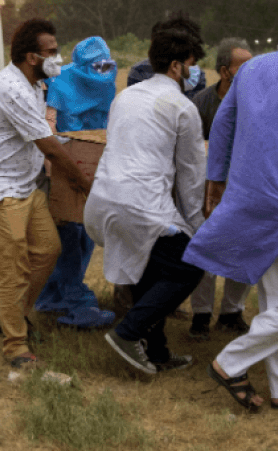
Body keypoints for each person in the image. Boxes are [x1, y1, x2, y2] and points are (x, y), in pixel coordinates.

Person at [183, 5, 278, 411]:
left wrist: (215, 181)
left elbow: (222, 126)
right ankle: (231, 362)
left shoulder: (251, 69)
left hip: (245, 197)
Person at [0, 19, 92, 368]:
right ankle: (15, 346)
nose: (58, 58)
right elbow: (49, 147)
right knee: (14, 267)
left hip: (23, 185)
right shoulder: (12, 89)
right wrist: (84, 182)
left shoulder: (35, 86)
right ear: (32, 56)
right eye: (52, 52)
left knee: (48, 250)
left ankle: (12, 316)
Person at [84, 20, 207, 375]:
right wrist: (198, 228)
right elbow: (191, 177)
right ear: (176, 66)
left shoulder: (125, 97)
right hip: (140, 206)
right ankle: (127, 334)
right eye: (193, 62)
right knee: (188, 263)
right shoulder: (183, 107)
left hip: (102, 201)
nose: (195, 70)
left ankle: (157, 352)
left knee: (151, 271)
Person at [34, 36, 117, 329]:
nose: (102, 70)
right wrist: (57, 167)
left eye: (106, 64)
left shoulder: (107, 82)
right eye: (95, 65)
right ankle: (69, 299)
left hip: (94, 165)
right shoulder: (61, 83)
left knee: (86, 234)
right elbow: (49, 124)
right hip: (63, 165)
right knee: (67, 235)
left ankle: (56, 294)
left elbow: (108, 123)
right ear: (82, 63)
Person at [188, 37, 254, 340]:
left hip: (246, 189)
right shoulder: (201, 103)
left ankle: (231, 312)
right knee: (206, 250)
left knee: (244, 250)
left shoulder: (258, 103)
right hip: (207, 189)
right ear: (225, 71)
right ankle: (200, 316)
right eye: (245, 65)